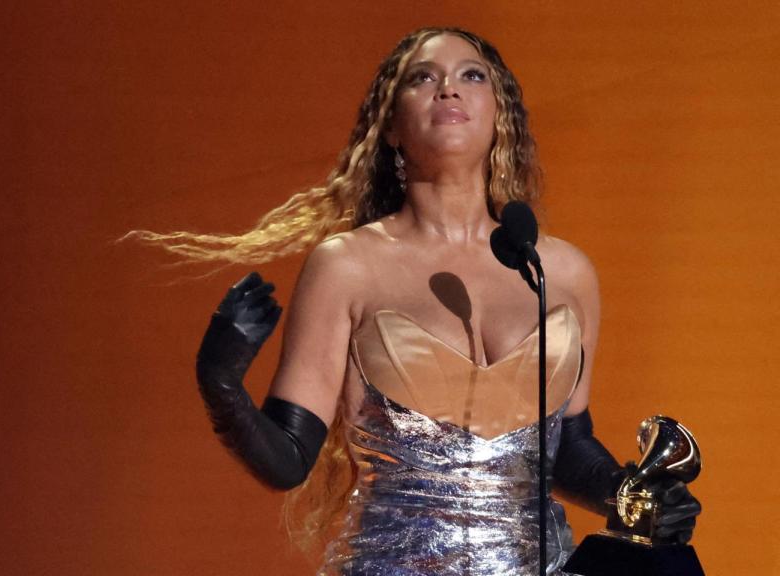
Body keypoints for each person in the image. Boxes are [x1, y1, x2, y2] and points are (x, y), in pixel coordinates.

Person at [132, 27, 700, 575]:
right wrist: (221, 385)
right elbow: (287, 458)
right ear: (392, 129)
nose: (448, 87)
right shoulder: (346, 266)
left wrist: (632, 496)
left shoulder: (563, 272)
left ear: (500, 117)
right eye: (421, 78)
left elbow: (568, 450)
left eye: (471, 75)